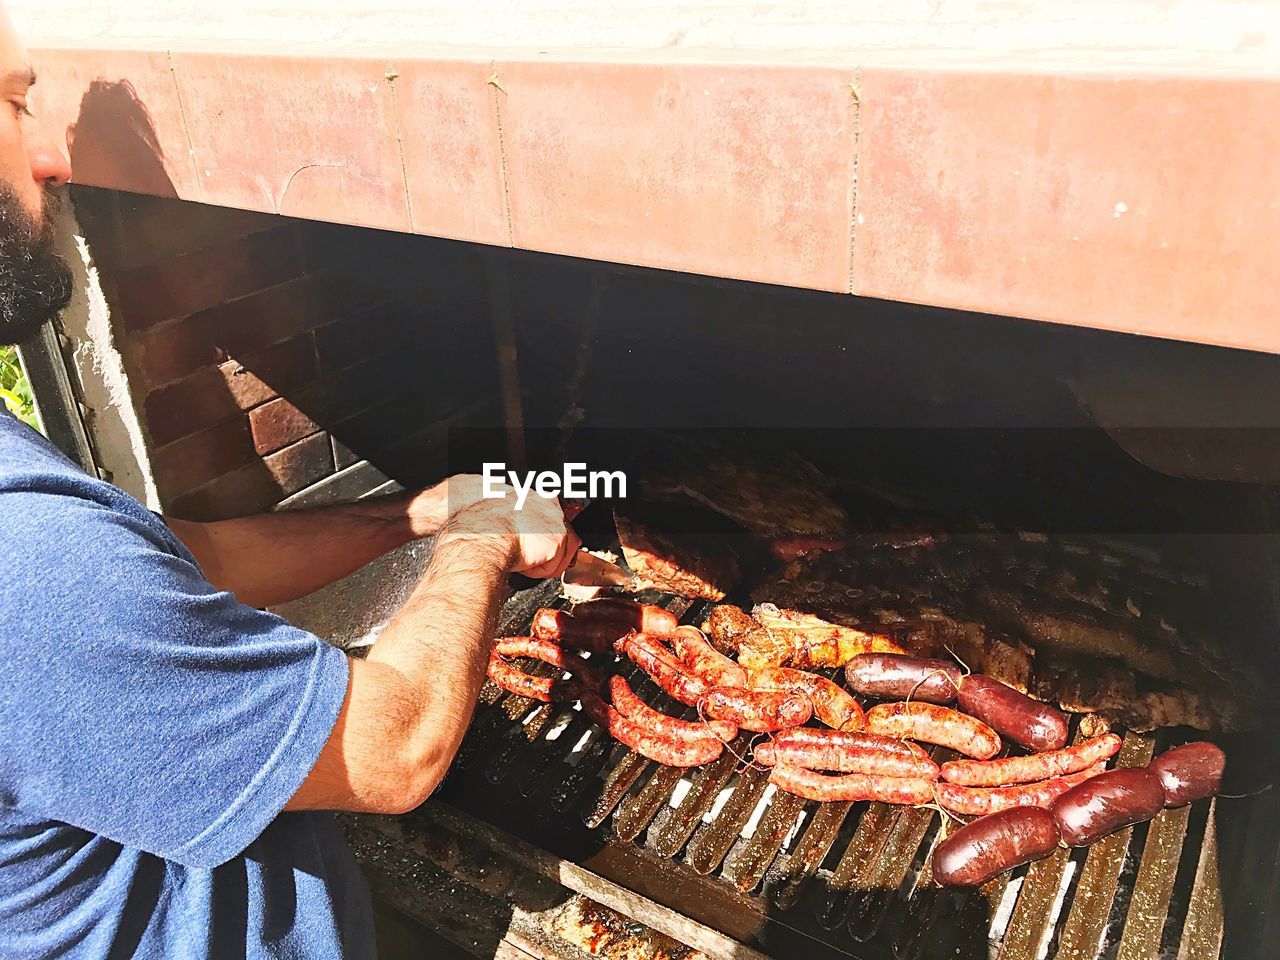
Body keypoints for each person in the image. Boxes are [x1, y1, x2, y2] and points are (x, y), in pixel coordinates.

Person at [0, 6, 579, 957]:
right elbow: (395, 752)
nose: (53, 160)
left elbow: (189, 559)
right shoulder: (26, 562)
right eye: (16, 108)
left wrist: (410, 517)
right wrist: (480, 531)